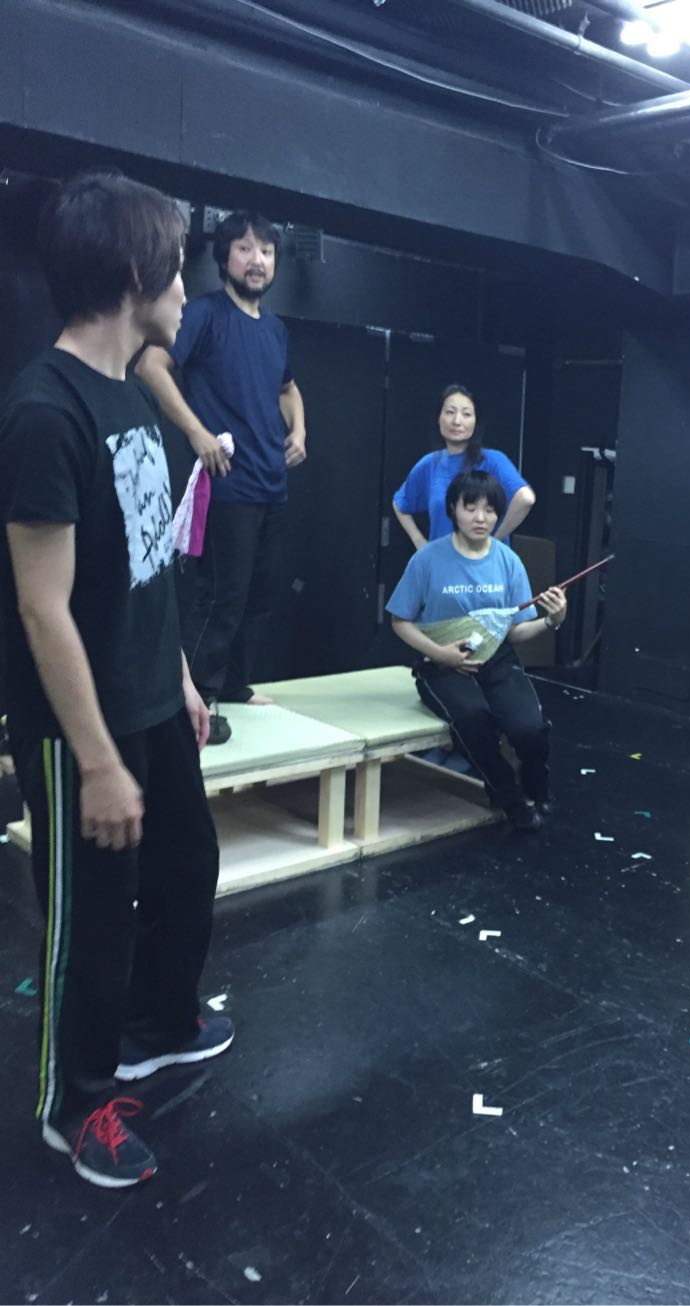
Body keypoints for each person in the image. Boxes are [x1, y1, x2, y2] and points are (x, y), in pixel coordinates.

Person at [0, 171, 230, 1189]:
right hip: (77, 727)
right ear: (136, 276)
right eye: (177, 269)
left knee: (187, 868)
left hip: (149, 695)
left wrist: (178, 675)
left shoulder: (130, 392)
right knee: (89, 928)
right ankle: (74, 1102)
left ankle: (157, 1025)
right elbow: (42, 607)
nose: (187, 289)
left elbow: (143, 563)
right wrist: (95, 762)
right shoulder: (44, 413)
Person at [136, 210, 306, 738]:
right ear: (225, 256)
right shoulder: (205, 314)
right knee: (220, 597)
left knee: (259, 595)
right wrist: (196, 432)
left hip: (271, 484)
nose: (257, 260)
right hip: (227, 483)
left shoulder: (274, 329)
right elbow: (150, 366)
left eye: (266, 251)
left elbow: (288, 389)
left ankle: (232, 684)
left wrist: (300, 430)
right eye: (245, 249)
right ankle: (192, 700)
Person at [387, 469, 565, 832]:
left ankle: (537, 787)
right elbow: (400, 621)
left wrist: (552, 620)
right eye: (470, 508)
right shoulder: (427, 560)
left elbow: (515, 632)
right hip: (440, 663)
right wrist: (441, 655)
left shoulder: (508, 561)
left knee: (529, 728)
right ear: (453, 509)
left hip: (496, 658)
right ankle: (508, 797)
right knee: (474, 720)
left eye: (490, 509)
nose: (480, 518)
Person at [392, 384, 535, 549]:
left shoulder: (493, 461)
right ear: (438, 418)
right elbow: (400, 503)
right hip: (441, 561)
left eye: (466, 414)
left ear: (476, 421)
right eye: (450, 412)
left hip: (483, 563)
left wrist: (494, 541)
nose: (457, 421)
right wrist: (418, 541)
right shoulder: (429, 464)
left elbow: (525, 499)